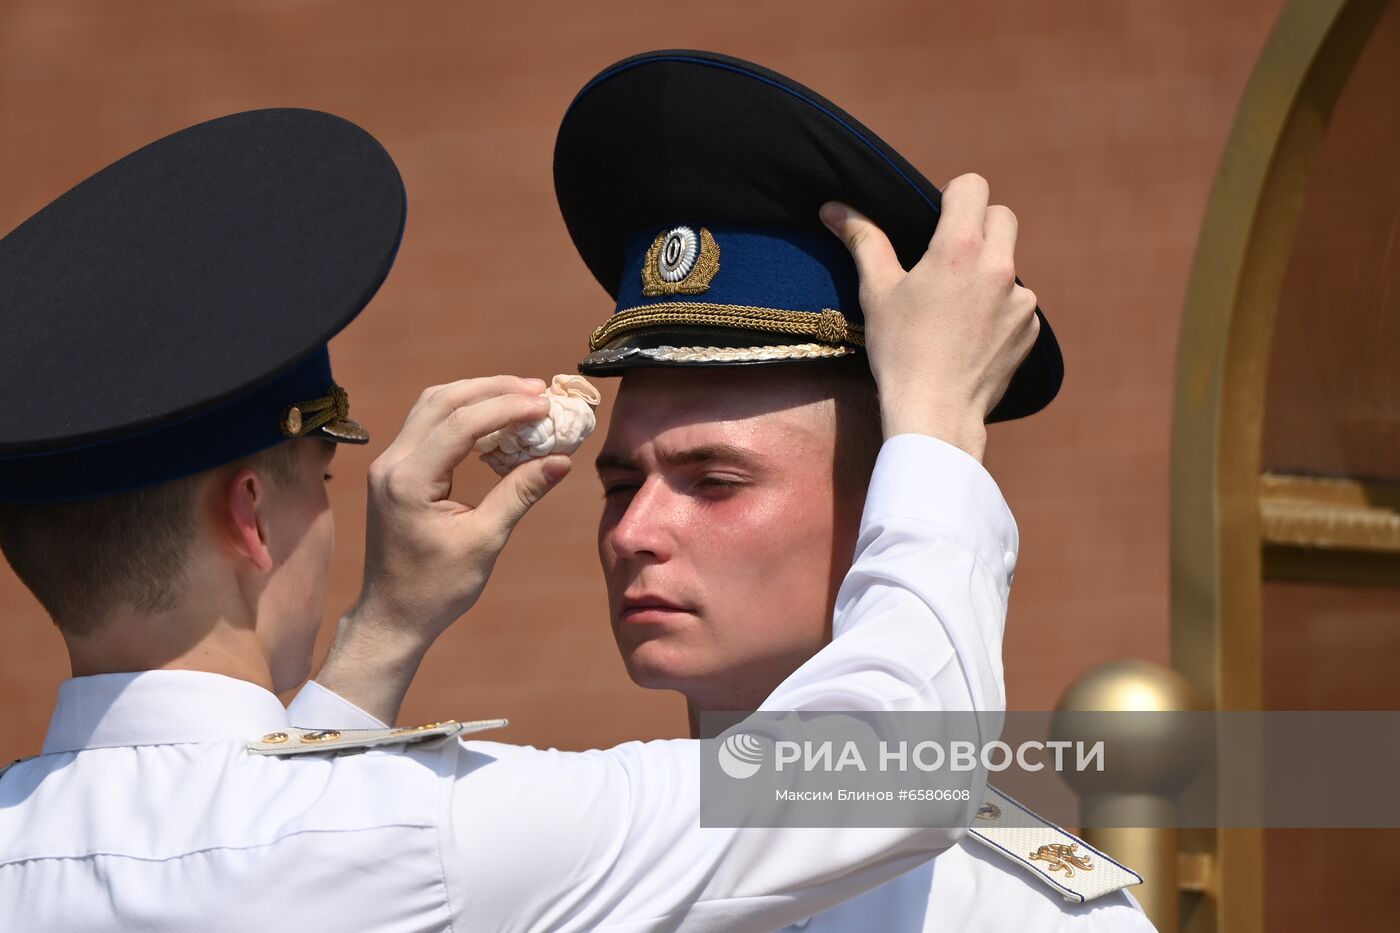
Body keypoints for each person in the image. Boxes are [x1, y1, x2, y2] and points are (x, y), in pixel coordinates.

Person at [0, 106, 1035, 932]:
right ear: (251, 517)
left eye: (714, 480)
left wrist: (386, 631)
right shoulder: (427, 838)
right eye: (322, 474)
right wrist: (934, 427)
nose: (631, 533)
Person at [566, 52, 1154, 929]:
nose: (634, 532)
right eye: (622, 485)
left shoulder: (1032, 916)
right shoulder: (575, 857)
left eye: (714, 481)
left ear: (889, 499)